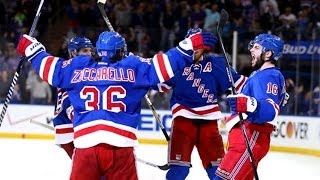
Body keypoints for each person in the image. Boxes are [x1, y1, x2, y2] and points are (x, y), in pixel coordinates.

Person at [16, 30, 217, 180]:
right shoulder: (133, 68)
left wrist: (32, 49)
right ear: (121, 50)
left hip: (85, 149)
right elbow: (165, 66)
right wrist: (190, 44)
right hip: (121, 150)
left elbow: (50, 68)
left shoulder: (79, 66)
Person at [153, 28, 247, 180]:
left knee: (218, 173)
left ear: (204, 47)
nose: (194, 50)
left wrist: (262, 85)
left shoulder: (216, 64)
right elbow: (157, 83)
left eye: (197, 46)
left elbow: (242, 84)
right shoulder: (177, 64)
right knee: (179, 172)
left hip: (209, 125)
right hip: (183, 123)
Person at [214, 33, 286, 180]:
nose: (252, 50)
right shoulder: (260, 75)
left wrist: (248, 104)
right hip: (247, 137)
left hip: (250, 135)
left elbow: (270, 110)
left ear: (268, 54)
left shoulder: (268, 76)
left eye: (257, 47)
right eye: (252, 46)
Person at [53, 37, 93, 158]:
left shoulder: (69, 69)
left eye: (90, 50)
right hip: (71, 130)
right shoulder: (72, 72)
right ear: (73, 52)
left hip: (68, 128)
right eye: (85, 50)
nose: (89, 54)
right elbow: (69, 104)